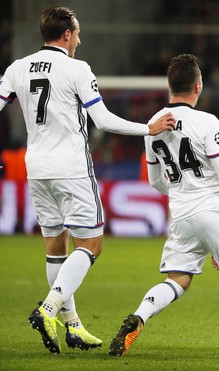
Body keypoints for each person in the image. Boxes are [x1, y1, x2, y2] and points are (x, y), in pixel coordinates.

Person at [0, 6, 175, 354]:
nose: (79, 39)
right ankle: (49, 309)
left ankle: (74, 325)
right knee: (91, 245)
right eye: (77, 33)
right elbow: (103, 120)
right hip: (72, 168)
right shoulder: (77, 69)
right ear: (66, 34)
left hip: (36, 167)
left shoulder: (17, 68)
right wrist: (148, 128)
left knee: (55, 247)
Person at [107, 54, 219, 359]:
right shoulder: (206, 121)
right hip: (215, 206)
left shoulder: (154, 125)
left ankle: (138, 317)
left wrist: (179, 190)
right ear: (198, 86)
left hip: (182, 213)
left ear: (169, 85)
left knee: (177, 280)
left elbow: (154, 181)